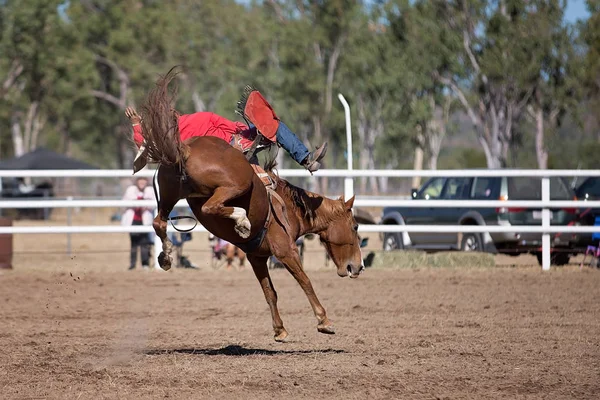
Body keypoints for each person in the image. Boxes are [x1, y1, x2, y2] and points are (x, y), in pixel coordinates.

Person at [125, 88, 327, 173]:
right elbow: (144, 146)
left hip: (231, 140)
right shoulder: (169, 134)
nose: (169, 110)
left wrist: (136, 124)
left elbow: (144, 144)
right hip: (230, 145)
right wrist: (135, 124)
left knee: (271, 126)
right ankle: (306, 159)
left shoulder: (185, 124)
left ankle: (305, 159)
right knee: (276, 126)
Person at [121, 177, 155, 270]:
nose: (142, 182)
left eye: (144, 180)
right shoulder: (131, 190)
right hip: (133, 220)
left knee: (144, 243)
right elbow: (126, 202)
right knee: (134, 243)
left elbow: (153, 205)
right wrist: (141, 202)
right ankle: (132, 265)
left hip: (145, 220)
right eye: (140, 180)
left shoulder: (150, 190)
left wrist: (142, 203)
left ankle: (145, 264)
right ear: (137, 181)